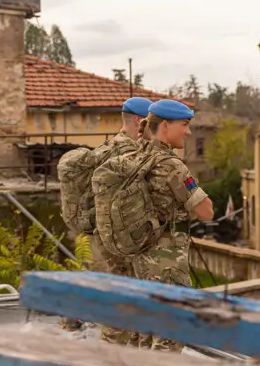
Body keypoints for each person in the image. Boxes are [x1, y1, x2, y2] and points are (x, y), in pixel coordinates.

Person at [57, 96, 152, 345]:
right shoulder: (127, 152)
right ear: (140, 121)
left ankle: (74, 323)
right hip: (111, 244)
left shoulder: (108, 146)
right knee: (121, 310)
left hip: (96, 238)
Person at [133, 99, 214, 352]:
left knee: (146, 338)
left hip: (142, 260)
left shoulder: (139, 155)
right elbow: (206, 211)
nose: (189, 132)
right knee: (169, 341)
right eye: (185, 125)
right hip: (168, 265)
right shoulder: (171, 166)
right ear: (166, 126)